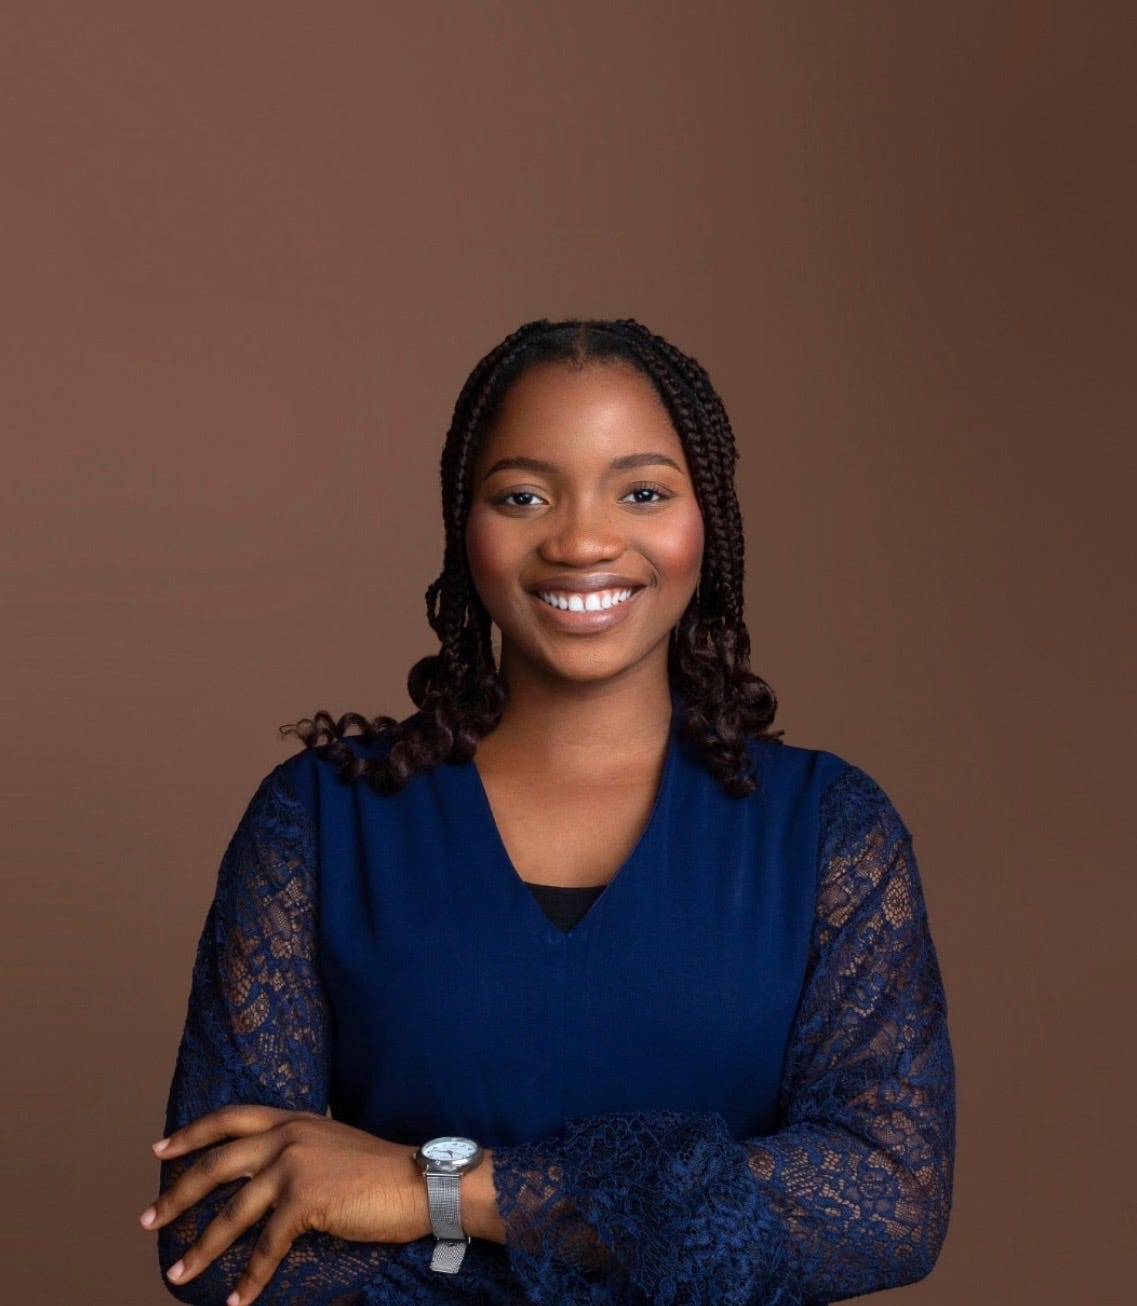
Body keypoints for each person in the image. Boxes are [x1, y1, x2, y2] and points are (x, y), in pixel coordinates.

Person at [140, 318, 954, 1305]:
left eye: (642, 492)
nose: (580, 541)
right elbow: (218, 1236)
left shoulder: (830, 831)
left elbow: (888, 1202)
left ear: (709, 523)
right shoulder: (317, 821)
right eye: (522, 496)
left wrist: (436, 1190)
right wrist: (667, 1236)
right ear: (464, 525)